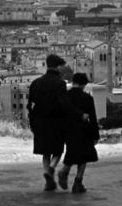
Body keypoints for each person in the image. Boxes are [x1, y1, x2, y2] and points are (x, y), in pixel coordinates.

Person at [27, 54, 88, 191]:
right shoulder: (59, 83)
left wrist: (32, 123)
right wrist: (79, 114)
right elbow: (64, 104)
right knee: (57, 150)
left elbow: (30, 105)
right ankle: (51, 169)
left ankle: (47, 175)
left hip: (39, 122)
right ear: (58, 66)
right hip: (55, 122)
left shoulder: (35, 83)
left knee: (45, 152)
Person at [57, 73, 100, 193]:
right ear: (83, 84)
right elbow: (93, 118)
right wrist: (95, 135)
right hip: (84, 130)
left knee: (72, 152)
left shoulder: (65, 96)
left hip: (69, 129)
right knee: (84, 155)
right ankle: (78, 182)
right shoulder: (87, 98)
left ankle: (64, 171)